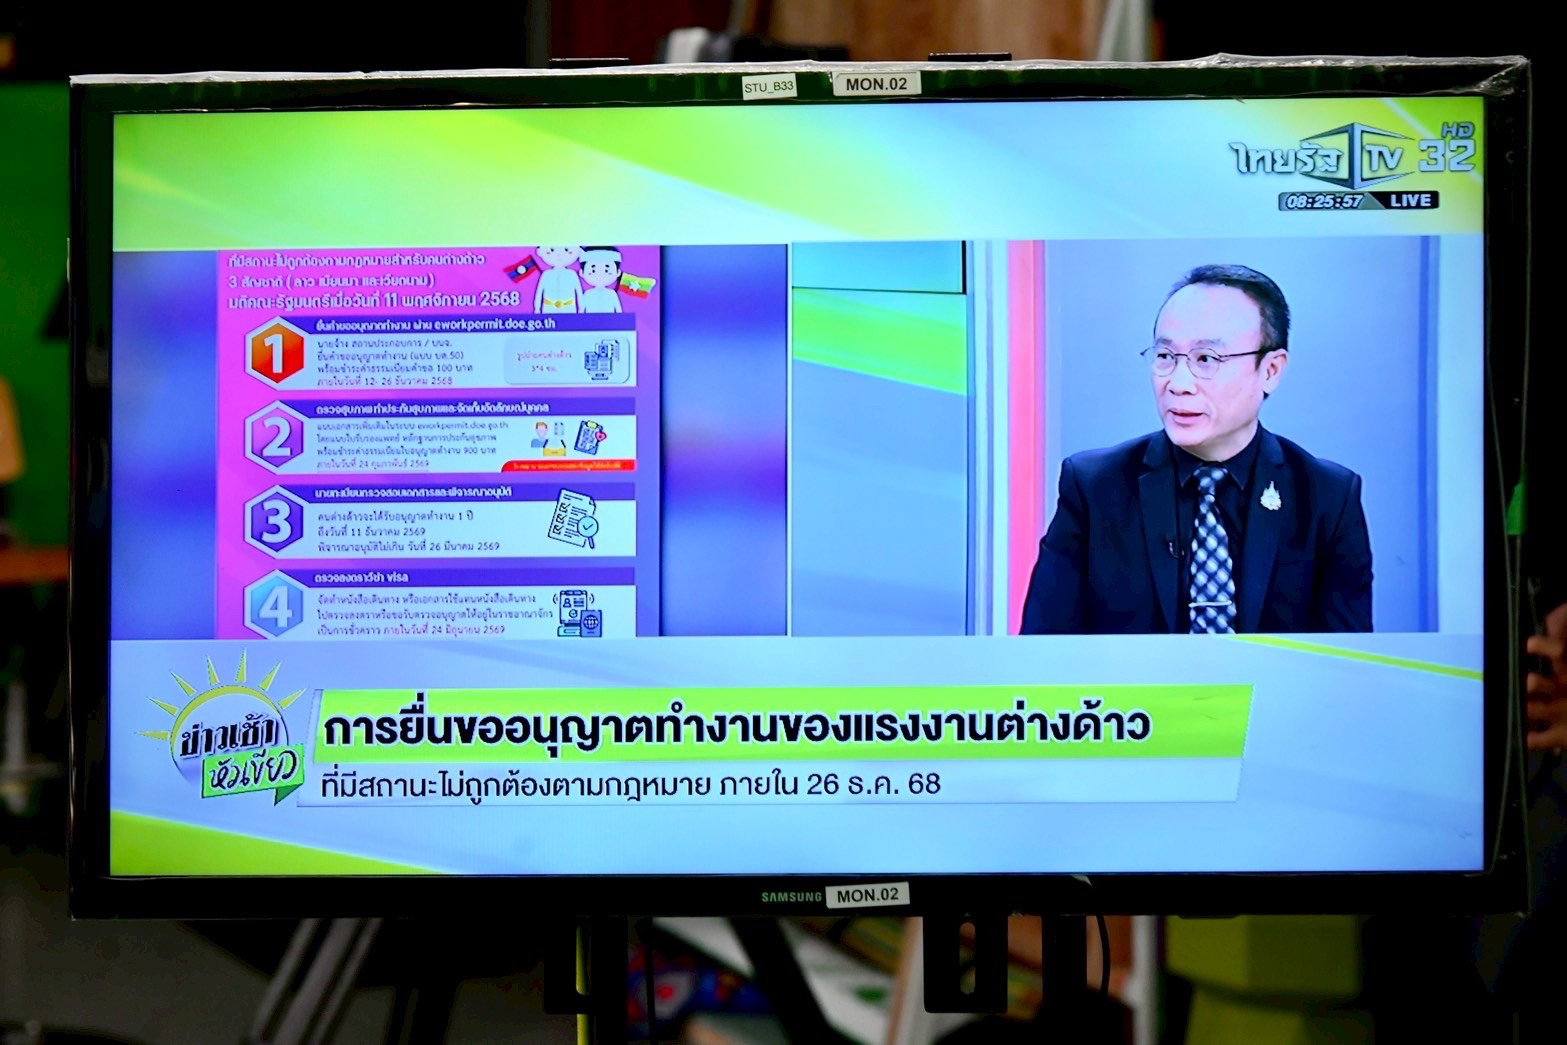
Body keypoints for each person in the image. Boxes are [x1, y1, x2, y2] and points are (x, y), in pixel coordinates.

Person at [1020, 264, 1373, 635]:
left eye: (1206, 359)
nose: (1178, 383)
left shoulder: (1327, 497)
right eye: (1165, 357)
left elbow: (1345, 662)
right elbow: (1042, 649)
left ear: (1270, 370)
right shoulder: (1093, 488)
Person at [579, 247, 624, 313]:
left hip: (609, 319)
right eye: (593, 271)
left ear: (618, 272)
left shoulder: (612, 294)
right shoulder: (587, 294)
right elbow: (581, 310)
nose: (600, 275)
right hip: (590, 319)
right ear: (582, 273)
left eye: (606, 271)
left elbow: (618, 309)